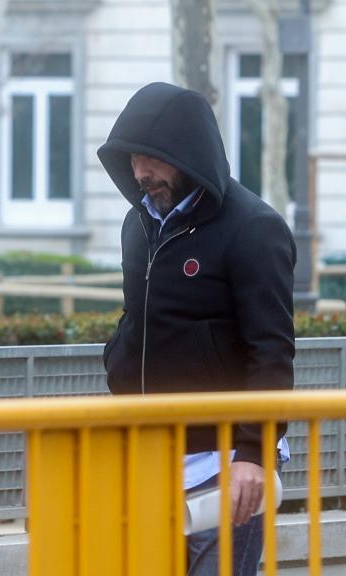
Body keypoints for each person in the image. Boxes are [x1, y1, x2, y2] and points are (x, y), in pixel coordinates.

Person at [98, 82, 296, 575]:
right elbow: (138, 319)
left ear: (187, 152)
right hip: (150, 455)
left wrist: (254, 453)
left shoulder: (254, 228)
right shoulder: (137, 224)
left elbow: (271, 352)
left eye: (151, 158)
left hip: (225, 466)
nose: (139, 172)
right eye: (131, 158)